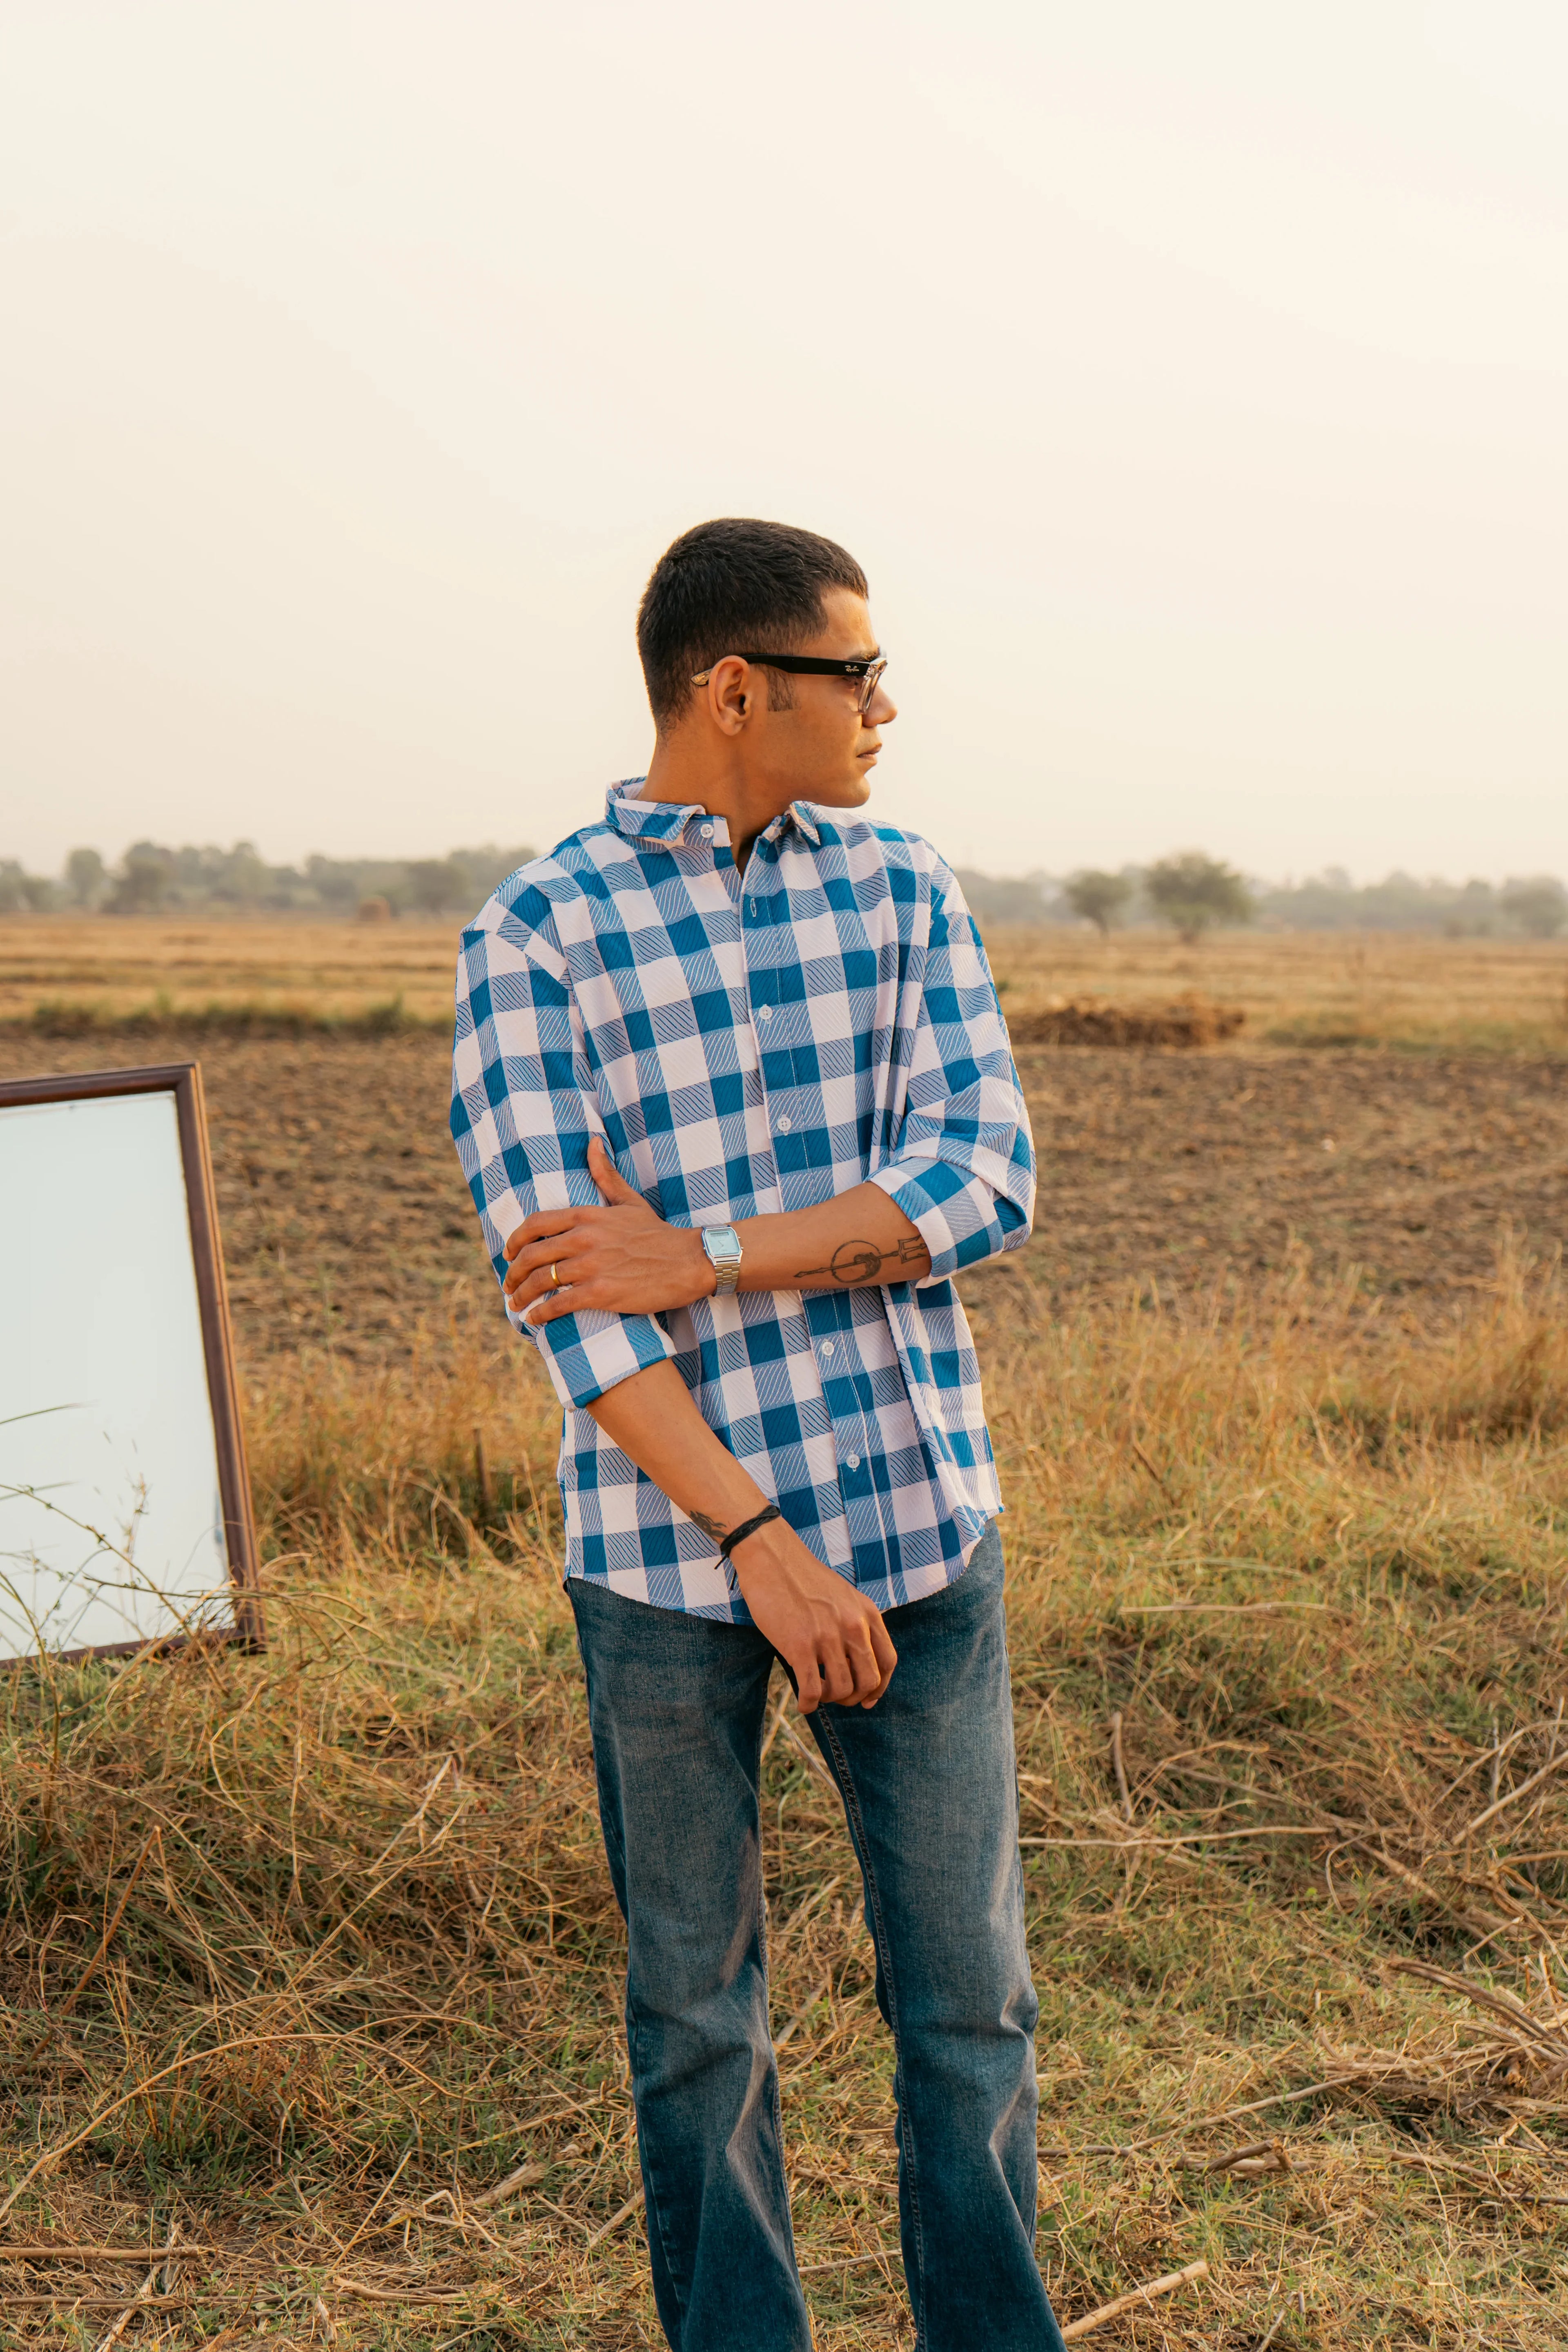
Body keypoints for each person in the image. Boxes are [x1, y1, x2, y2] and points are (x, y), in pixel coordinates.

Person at [450, 517, 1064, 2352]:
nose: (887, 706)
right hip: (672, 1560)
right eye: (855, 672)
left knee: (972, 2008)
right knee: (697, 2028)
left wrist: (705, 1251)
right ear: (736, 690)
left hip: (918, 1517)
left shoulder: (904, 892)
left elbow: (983, 1181)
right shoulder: (537, 938)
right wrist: (755, 1541)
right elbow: (576, 1303)